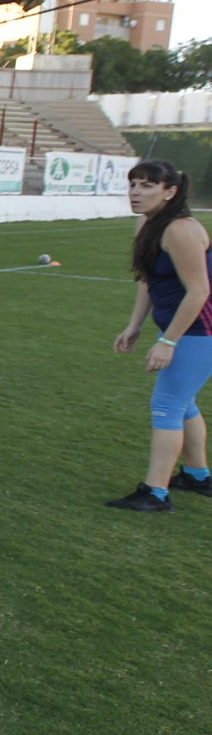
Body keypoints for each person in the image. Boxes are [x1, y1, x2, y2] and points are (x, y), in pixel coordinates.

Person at [109, 160, 212, 512]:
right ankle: (198, 476)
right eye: (133, 184)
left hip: (200, 330)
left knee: (167, 405)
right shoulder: (149, 224)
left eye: (147, 186)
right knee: (184, 402)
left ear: (170, 192)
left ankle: (155, 493)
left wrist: (168, 342)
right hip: (185, 328)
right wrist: (135, 325)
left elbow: (198, 292)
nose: (136, 192)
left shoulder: (181, 229)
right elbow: (147, 281)